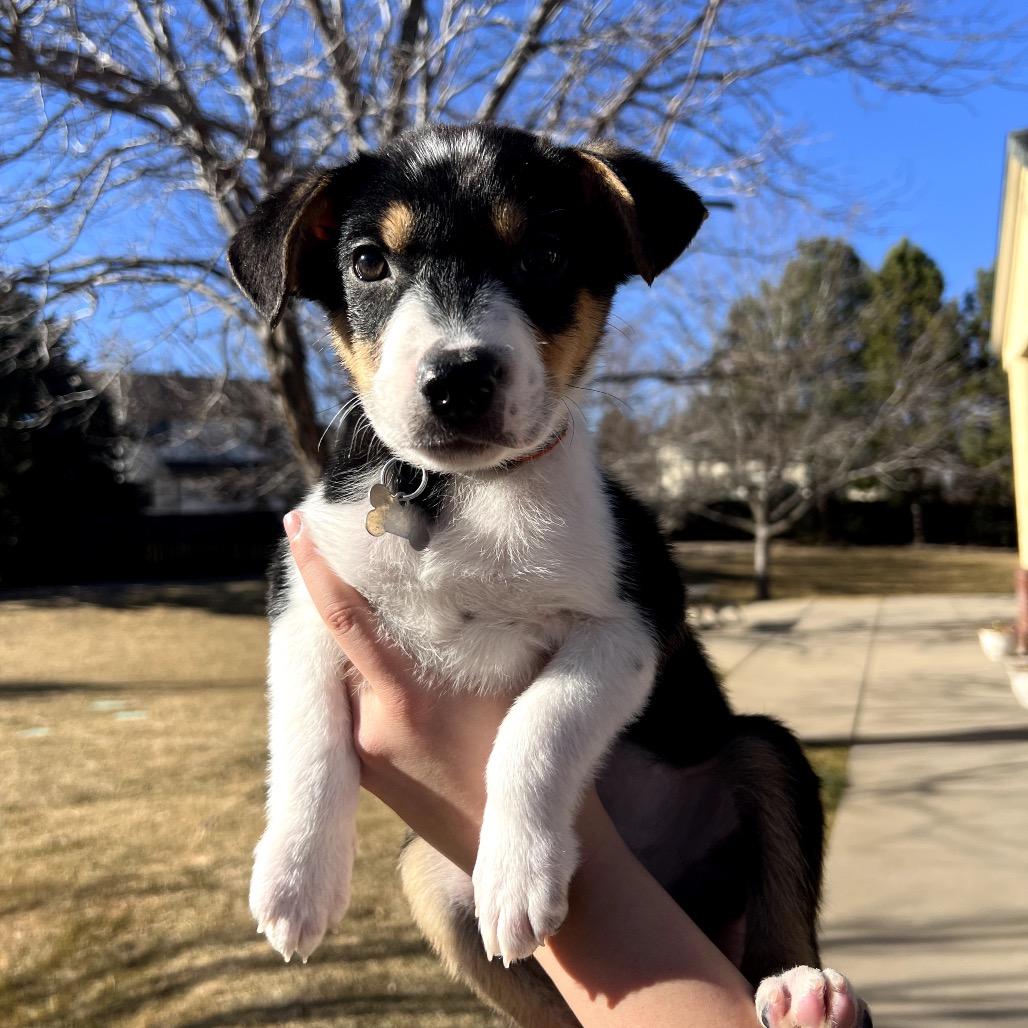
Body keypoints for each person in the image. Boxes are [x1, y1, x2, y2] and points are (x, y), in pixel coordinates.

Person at [284, 510, 759, 1027]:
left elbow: (642, 619)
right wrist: (309, 819)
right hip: (567, 876)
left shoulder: (575, 527)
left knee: (762, 755)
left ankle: (780, 966)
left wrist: (500, 805)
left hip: (665, 785)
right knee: (423, 871)